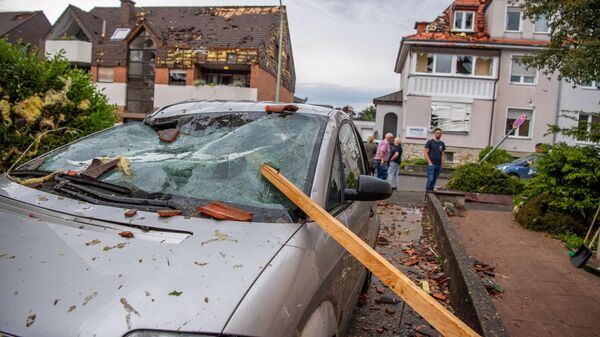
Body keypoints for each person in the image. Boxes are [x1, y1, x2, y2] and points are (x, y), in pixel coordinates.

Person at [424, 128, 445, 193]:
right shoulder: (430, 142)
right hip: (431, 165)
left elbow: (442, 154)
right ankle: (427, 193)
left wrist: (442, 164)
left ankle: (431, 193)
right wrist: (429, 162)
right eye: (438, 133)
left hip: (438, 165)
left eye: (440, 133)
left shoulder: (442, 143)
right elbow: (425, 152)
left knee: (434, 180)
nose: (439, 134)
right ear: (435, 134)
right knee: (430, 179)